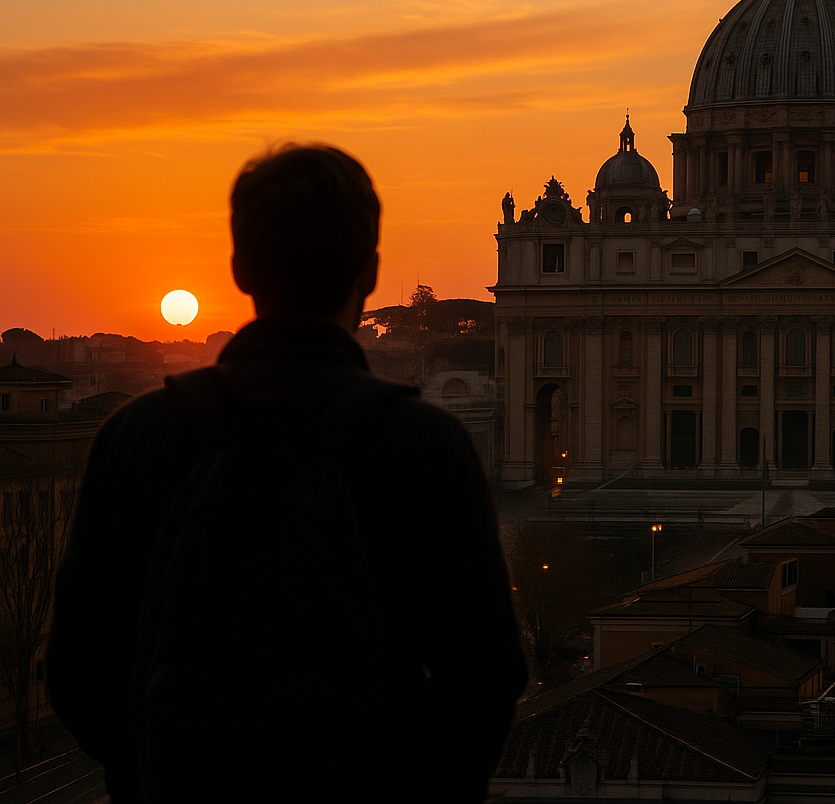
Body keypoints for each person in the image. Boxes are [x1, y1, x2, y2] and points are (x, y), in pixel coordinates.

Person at [47, 145, 527, 802]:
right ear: (370, 270)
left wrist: (155, 774)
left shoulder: (134, 438)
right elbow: (485, 678)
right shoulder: (427, 446)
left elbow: (78, 673)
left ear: (240, 268)